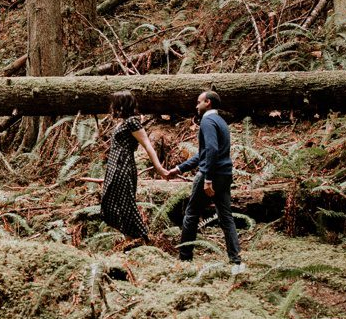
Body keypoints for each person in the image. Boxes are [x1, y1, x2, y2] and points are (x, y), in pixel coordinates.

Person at [171, 89, 243, 272]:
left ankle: (184, 259)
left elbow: (211, 150)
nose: (196, 105)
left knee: (191, 214)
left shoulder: (208, 121)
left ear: (208, 102)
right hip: (225, 174)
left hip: (211, 175)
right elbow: (204, 154)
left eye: (199, 102)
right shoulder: (220, 122)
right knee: (226, 217)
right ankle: (236, 262)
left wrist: (208, 179)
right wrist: (179, 168)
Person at [89, 90, 171, 244]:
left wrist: (159, 168)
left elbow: (147, 144)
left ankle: (142, 238)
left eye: (115, 103)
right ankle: (130, 239)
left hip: (123, 167)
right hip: (114, 167)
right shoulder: (123, 122)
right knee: (111, 202)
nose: (112, 106)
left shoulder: (132, 122)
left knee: (126, 203)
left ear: (122, 104)